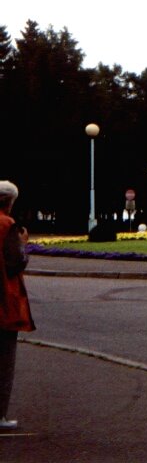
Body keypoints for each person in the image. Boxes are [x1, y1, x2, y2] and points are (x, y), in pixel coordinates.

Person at [0, 181, 34, 431]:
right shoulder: (7, 225)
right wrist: (24, 245)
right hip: (4, 301)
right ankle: (0, 415)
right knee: (4, 360)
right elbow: (14, 263)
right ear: (9, 202)